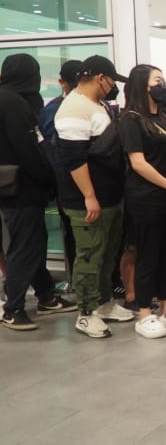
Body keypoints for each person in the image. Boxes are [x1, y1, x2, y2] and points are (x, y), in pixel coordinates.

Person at [55, 55, 135, 338]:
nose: (113, 86)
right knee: (89, 256)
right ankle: (86, 313)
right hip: (86, 202)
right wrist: (89, 196)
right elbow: (74, 159)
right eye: (112, 81)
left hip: (111, 196)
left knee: (107, 254)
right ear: (101, 78)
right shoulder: (73, 108)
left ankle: (103, 303)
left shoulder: (96, 104)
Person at [120, 64, 166, 339]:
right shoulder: (131, 120)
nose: (162, 85)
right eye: (157, 81)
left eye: (163, 80)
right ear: (142, 85)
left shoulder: (165, 116)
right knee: (148, 254)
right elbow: (138, 163)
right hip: (147, 198)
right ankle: (144, 312)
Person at [0, 53, 74, 330]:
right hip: (23, 188)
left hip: (12, 187)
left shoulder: (10, 99)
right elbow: (28, 149)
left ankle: (46, 296)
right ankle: (13, 308)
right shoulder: (14, 104)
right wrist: (47, 179)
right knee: (25, 247)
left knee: (33, 243)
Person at [38, 59, 84, 293]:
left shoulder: (95, 105)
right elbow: (51, 150)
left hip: (94, 183)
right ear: (62, 82)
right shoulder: (53, 110)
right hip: (67, 184)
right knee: (74, 234)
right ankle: (77, 281)